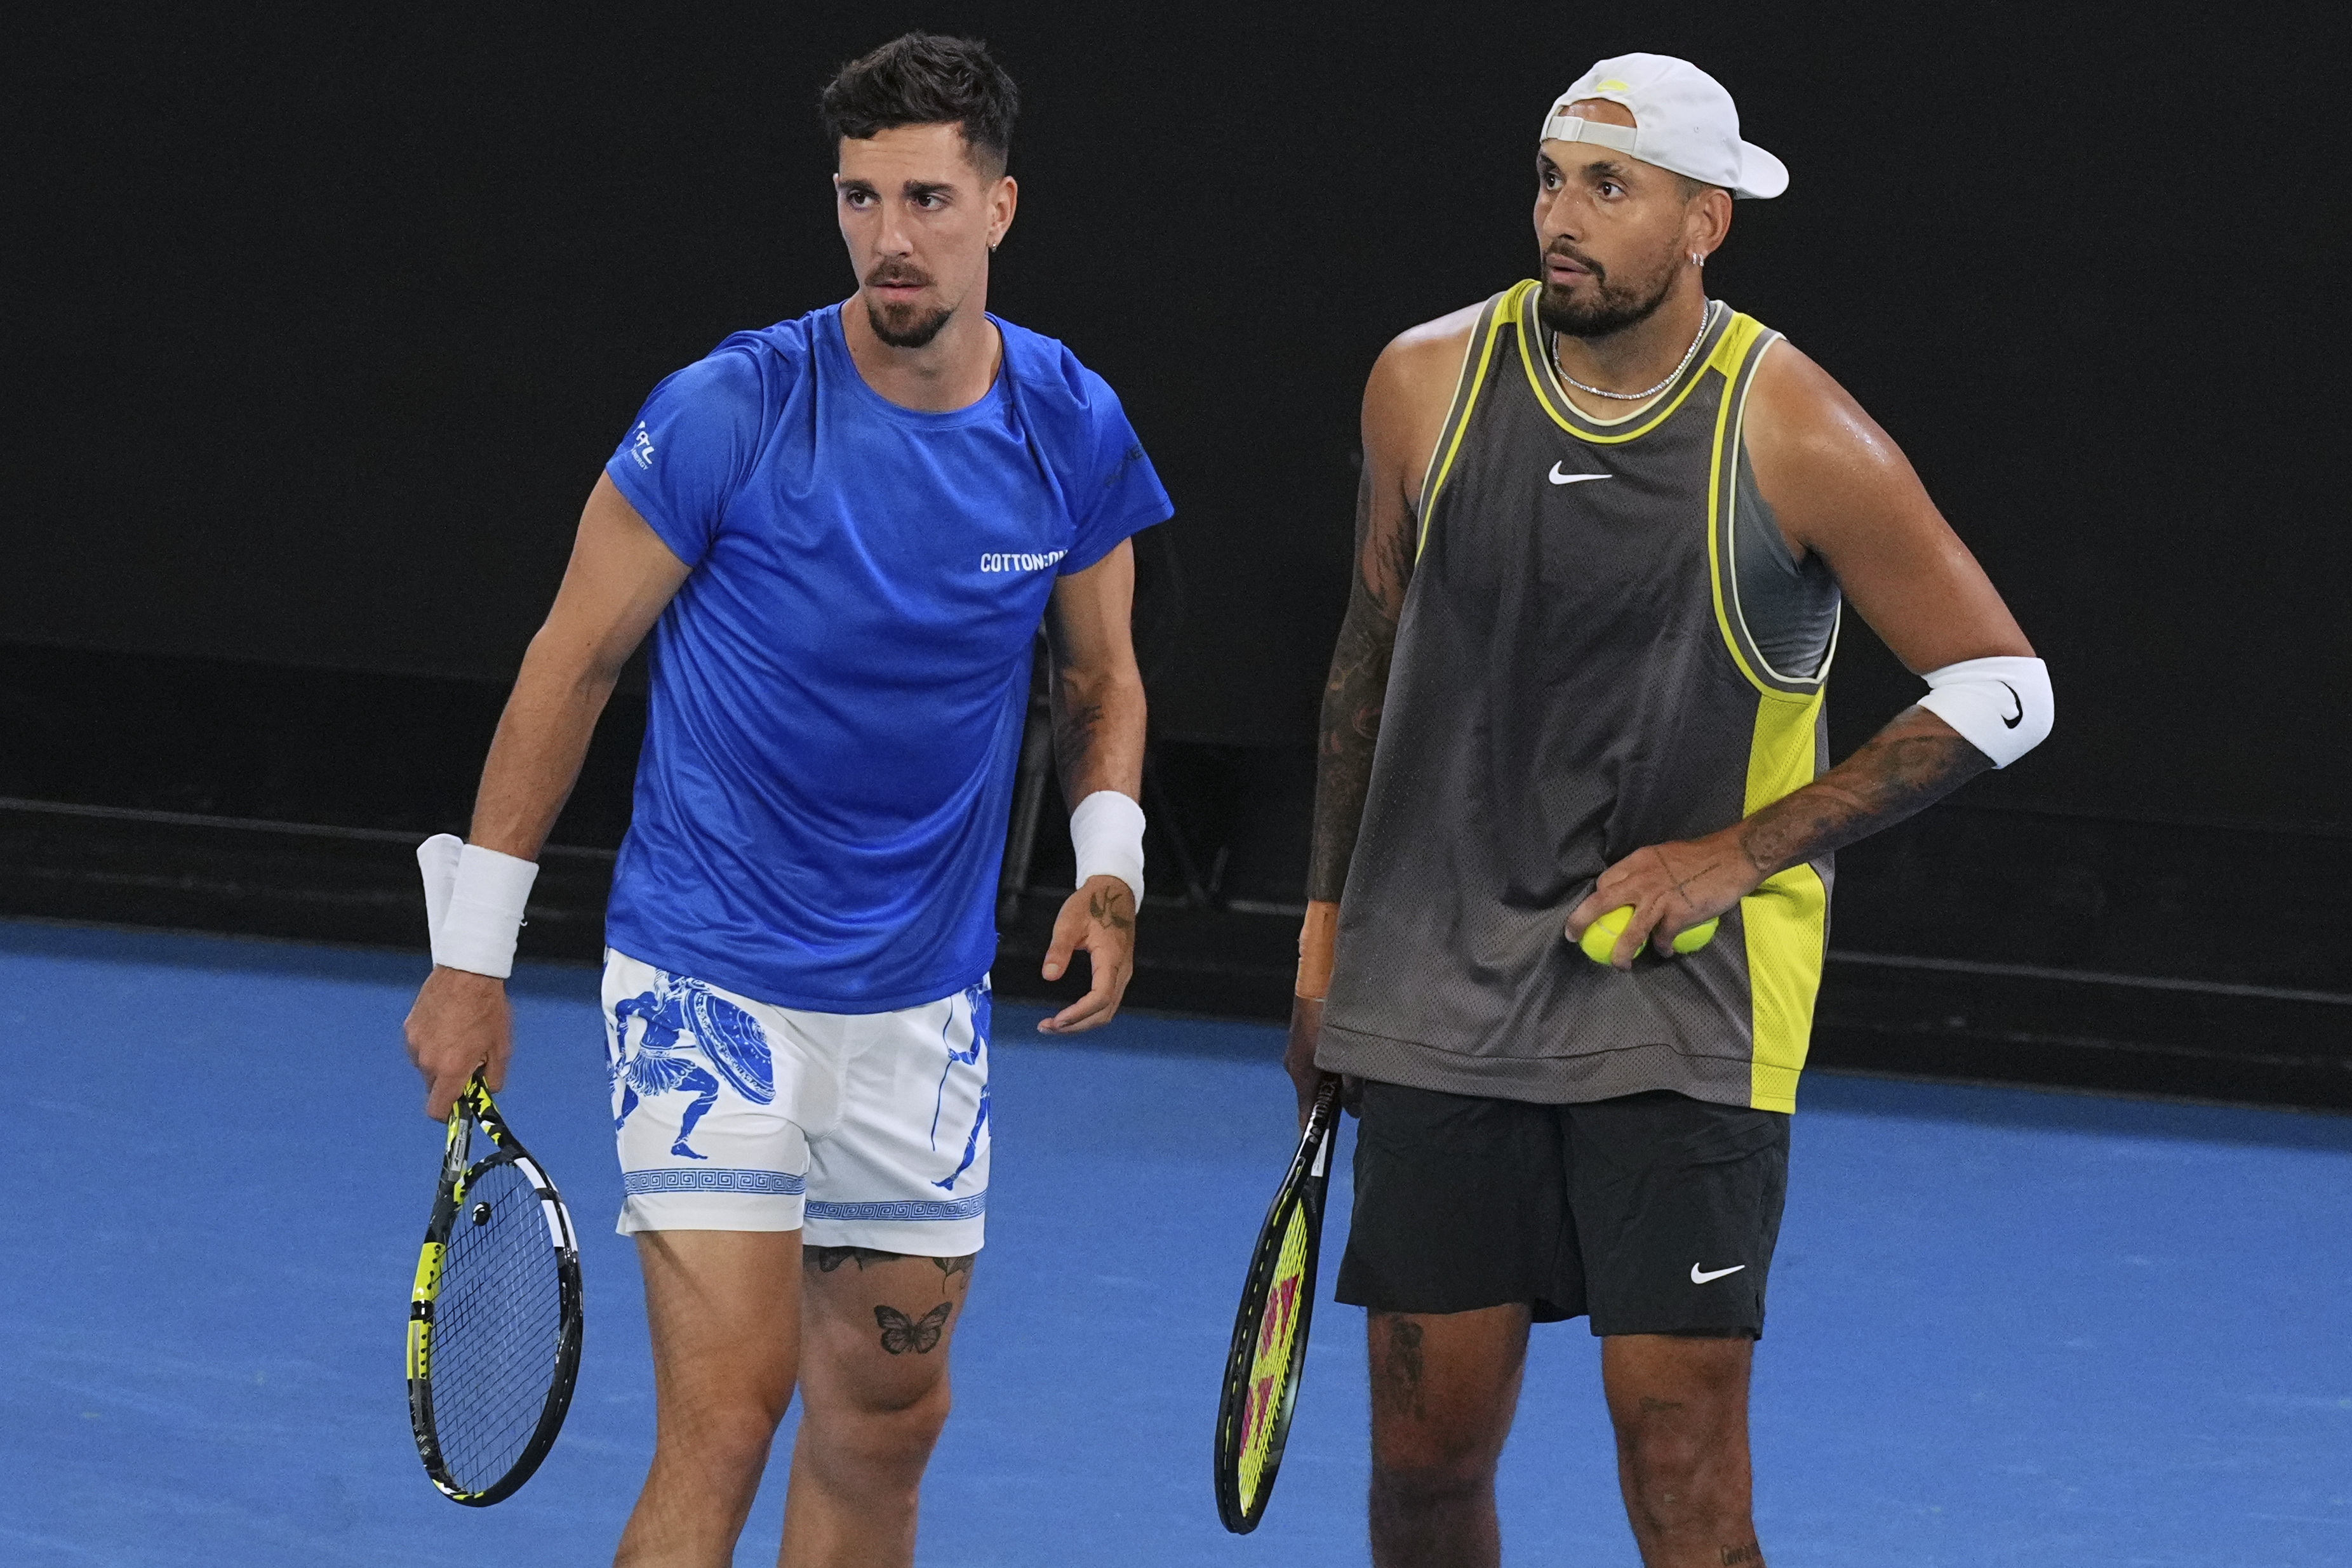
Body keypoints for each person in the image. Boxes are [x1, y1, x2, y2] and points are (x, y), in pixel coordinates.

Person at [401, 33, 1172, 1568]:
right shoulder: (729, 410)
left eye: (927, 199)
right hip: (707, 984)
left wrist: (1110, 867)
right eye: (859, 198)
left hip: (921, 1009)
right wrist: (471, 957)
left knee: (886, 1424)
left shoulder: (1071, 424)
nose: (891, 238)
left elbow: (1101, 678)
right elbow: (570, 663)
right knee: (731, 1415)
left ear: (1000, 206)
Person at [1286, 53, 2051, 1568]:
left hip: (1685, 1004)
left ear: (1704, 222)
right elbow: (1365, 665)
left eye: (1608, 188)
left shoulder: (1795, 428)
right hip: (1434, 986)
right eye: (1550, 179)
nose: (1560, 217)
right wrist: (1322, 942)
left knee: (1681, 1463)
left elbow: (2005, 686)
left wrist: (1734, 854)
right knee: (1424, 1465)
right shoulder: (1421, 383)